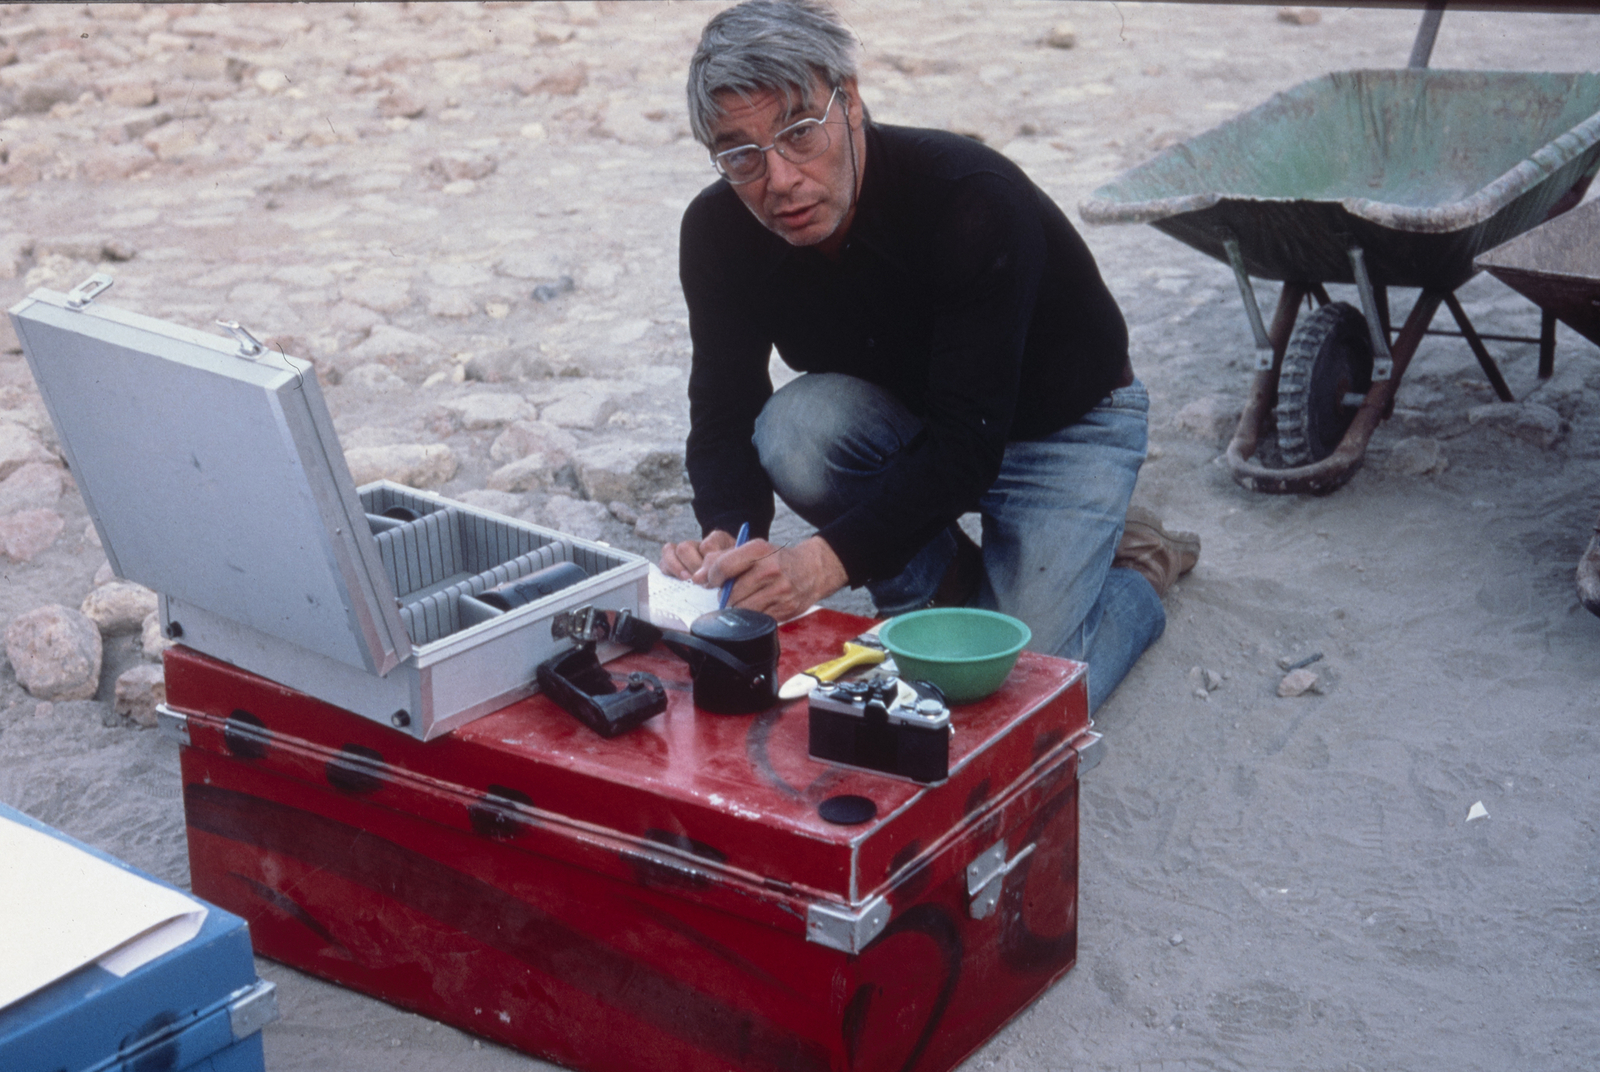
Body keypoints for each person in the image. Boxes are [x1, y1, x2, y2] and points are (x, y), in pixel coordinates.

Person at [659, 0, 1198, 711]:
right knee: (794, 428)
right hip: (916, 424)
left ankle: (1135, 565)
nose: (779, 179)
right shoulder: (717, 230)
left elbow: (966, 445)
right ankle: (941, 593)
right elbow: (726, 411)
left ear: (850, 101)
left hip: (1064, 426)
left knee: (1022, 689)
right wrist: (731, 539)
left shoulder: (969, 199)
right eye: (741, 154)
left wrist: (821, 564)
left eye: (799, 132)